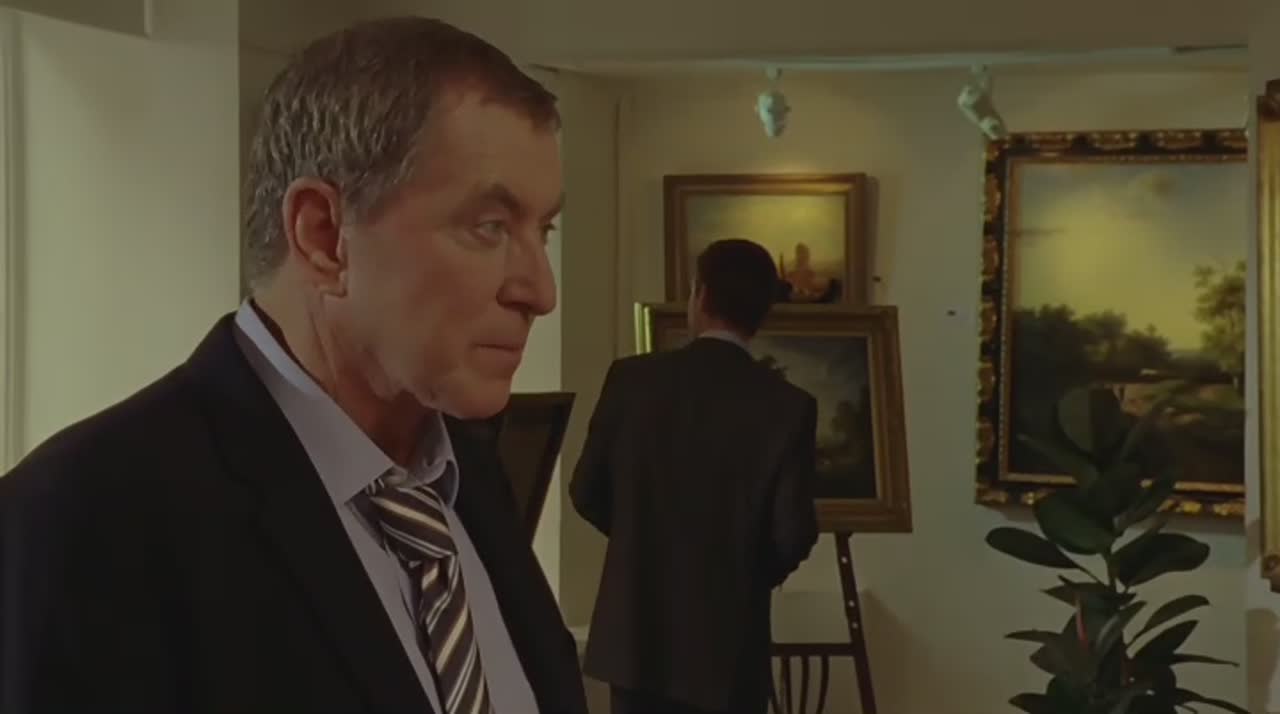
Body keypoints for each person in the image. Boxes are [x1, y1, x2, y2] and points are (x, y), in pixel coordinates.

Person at [0, 17, 586, 714]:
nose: (540, 291)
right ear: (323, 235)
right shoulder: (79, 523)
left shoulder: (471, 477)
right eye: (489, 227)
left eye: (543, 230)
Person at [571, 238, 820, 714]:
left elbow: (586, 492)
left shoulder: (630, 381)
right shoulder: (789, 407)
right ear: (763, 312)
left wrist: (643, 542)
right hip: (731, 647)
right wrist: (738, 572)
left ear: (700, 295)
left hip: (637, 640)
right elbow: (793, 534)